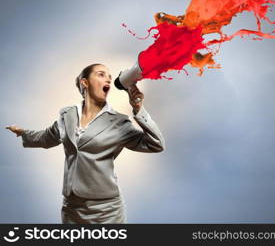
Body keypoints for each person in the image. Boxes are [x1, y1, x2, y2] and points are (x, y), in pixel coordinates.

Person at [6, 63, 165, 224]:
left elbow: (156, 144)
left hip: (106, 211)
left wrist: (139, 109)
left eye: (110, 77)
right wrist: (23, 133)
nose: (108, 80)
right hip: (71, 208)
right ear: (85, 83)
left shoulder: (119, 122)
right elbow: (47, 138)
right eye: (101, 74)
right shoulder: (67, 115)